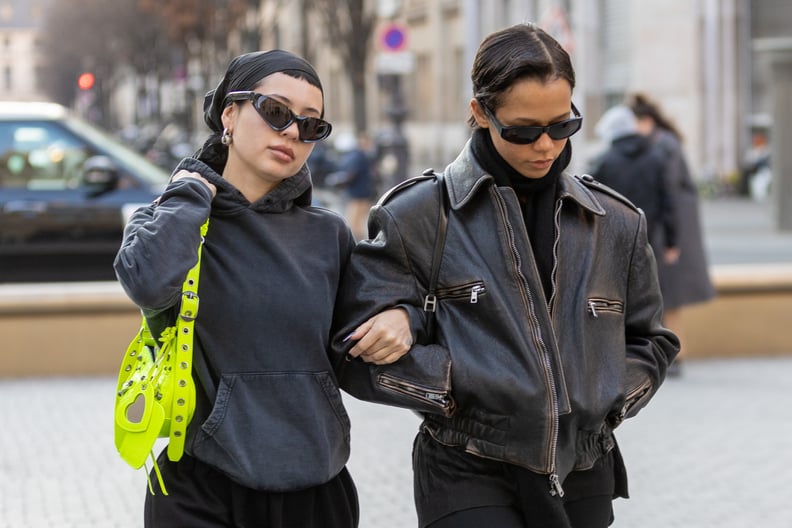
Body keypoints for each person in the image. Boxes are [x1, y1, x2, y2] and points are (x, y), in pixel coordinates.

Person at [332, 23, 679, 528]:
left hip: (583, 467)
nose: (545, 146)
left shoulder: (616, 222)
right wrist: (455, 386)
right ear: (480, 113)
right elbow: (352, 354)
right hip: (464, 466)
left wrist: (605, 400)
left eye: (562, 126)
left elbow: (652, 342)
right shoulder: (419, 216)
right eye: (523, 130)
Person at [114, 49, 410, 528]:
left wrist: (403, 315)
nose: (292, 131)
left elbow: (356, 344)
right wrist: (193, 189)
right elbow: (148, 282)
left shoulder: (327, 233)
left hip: (317, 487)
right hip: (201, 486)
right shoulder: (172, 219)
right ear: (229, 114)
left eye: (311, 124)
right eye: (276, 112)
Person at [628, 93, 716, 376]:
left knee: (669, 296)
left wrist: (670, 237)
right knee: (666, 296)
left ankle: (676, 354)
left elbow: (667, 189)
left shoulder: (662, 145)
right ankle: (674, 354)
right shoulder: (664, 141)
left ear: (646, 121)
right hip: (671, 229)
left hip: (670, 233)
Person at [591, 104, 680, 274]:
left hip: (611, 239)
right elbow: (668, 202)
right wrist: (671, 242)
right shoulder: (656, 157)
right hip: (648, 235)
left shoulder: (604, 162)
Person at [332, 131, 375, 240]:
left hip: (359, 193)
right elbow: (352, 173)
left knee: (356, 221)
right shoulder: (359, 156)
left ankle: (358, 241)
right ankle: (357, 241)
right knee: (355, 220)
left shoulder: (356, 156)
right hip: (360, 193)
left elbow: (351, 173)